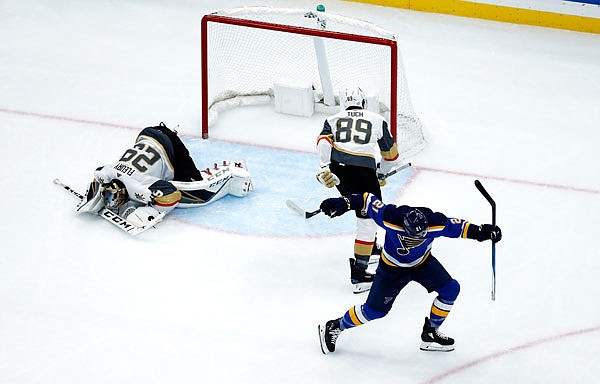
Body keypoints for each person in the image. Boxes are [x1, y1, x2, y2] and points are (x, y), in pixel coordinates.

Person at [317, 192, 502, 354]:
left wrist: (483, 232)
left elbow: (460, 227)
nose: (417, 238)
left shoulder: (435, 223)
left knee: (451, 290)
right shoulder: (389, 216)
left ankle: (430, 332)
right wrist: (342, 203)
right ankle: (335, 326)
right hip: (391, 269)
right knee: (373, 312)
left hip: (423, 264)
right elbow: (365, 200)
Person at [76, 122, 252, 227]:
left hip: (169, 145)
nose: (113, 204)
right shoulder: (109, 171)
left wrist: (149, 209)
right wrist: (96, 194)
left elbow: (173, 195)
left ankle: (232, 169)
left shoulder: (139, 185)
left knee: (197, 186)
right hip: (148, 135)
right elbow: (99, 174)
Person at [315, 86, 402, 294]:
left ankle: (370, 248)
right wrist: (380, 172)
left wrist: (325, 168)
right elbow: (391, 155)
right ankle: (359, 274)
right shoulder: (376, 119)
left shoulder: (333, 119)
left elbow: (323, 142)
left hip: (338, 170)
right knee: (368, 218)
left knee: (360, 207)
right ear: (363, 102)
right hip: (363, 171)